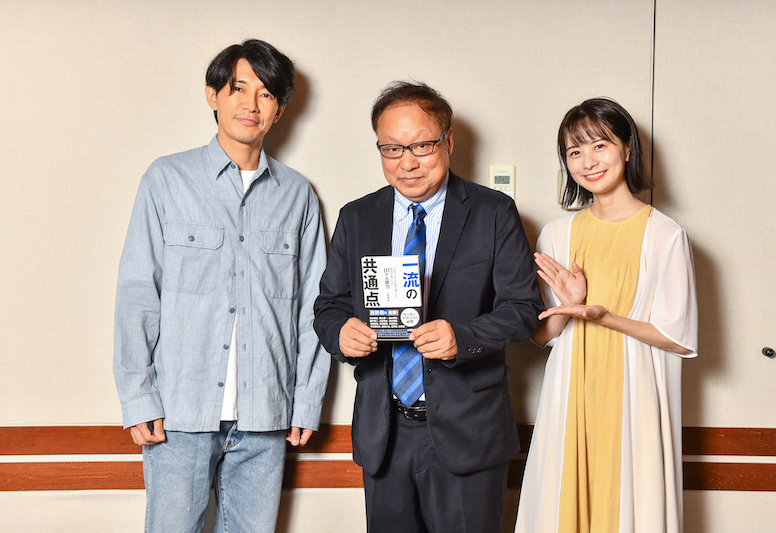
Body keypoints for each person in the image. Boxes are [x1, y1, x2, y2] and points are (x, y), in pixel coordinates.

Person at [113, 39, 330, 533]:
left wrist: (306, 400)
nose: (251, 104)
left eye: (266, 93)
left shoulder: (298, 195)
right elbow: (138, 294)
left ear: (280, 110)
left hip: (266, 417)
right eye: (238, 88)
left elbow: (313, 309)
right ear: (213, 95)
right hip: (179, 414)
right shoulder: (166, 179)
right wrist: (138, 396)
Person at [313, 81, 544, 533]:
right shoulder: (357, 217)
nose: (408, 162)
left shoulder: (493, 212)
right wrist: (340, 333)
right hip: (385, 433)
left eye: (421, 145)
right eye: (392, 149)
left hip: (468, 431)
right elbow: (329, 306)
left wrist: (464, 337)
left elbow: (523, 307)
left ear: (448, 140)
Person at [515, 98, 698, 533]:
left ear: (628, 149)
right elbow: (541, 337)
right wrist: (568, 305)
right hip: (569, 393)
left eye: (600, 145)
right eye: (574, 151)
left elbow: (678, 338)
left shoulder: (665, 234)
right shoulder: (557, 234)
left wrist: (603, 316)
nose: (588, 161)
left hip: (635, 394)